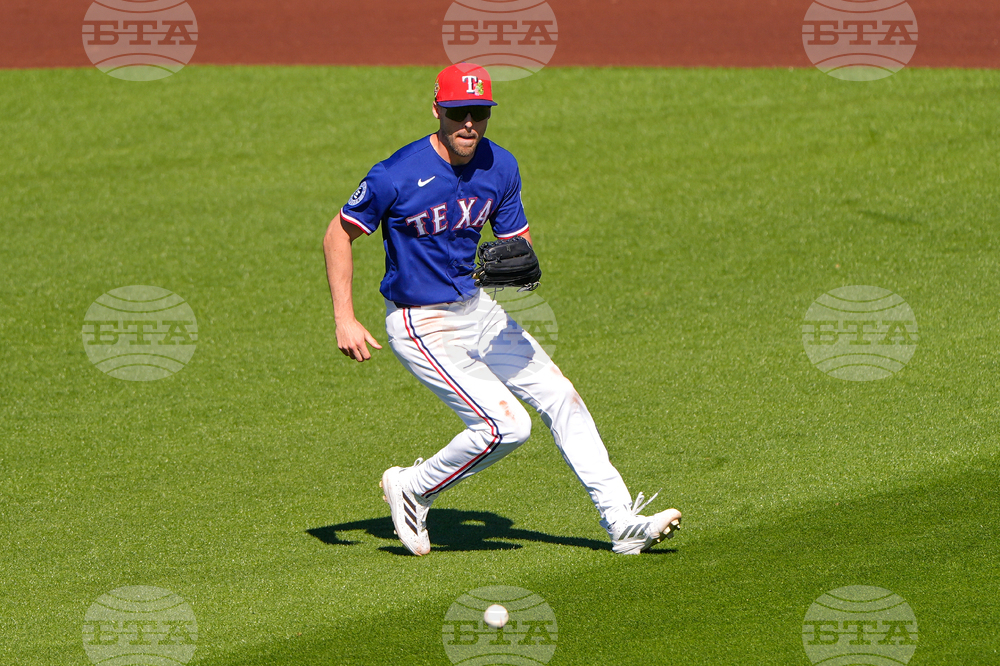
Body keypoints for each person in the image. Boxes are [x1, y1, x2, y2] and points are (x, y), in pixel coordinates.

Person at [323, 62, 681, 556]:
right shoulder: (395, 174)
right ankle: (414, 487)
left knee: (562, 396)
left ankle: (620, 521)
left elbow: (516, 241)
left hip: (478, 309)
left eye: (479, 112)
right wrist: (345, 316)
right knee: (507, 427)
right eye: (457, 112)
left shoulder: (501, 166)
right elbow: (338, 233)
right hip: (419, 321)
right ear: (437, 111)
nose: (468, 123)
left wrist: (520, 258)